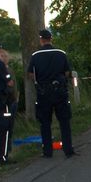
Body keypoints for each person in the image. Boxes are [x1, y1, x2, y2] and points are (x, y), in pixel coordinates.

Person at [27, 29, 76, 158]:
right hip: (60, 91)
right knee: (64, 121)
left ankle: (47, 151)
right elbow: (66, 72)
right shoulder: (61, 53)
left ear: (41, 40)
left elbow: (31, 74)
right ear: (51, 39)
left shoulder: (35, 56)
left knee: (45, 123)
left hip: (44, 93)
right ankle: (68, 149)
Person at [0, 49, 19, 155]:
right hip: (4, 103)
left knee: (10, 126)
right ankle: (3, 150)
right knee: (4, 126)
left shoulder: (10, 69)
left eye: (6, 56)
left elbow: (14, 84)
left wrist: (17, 97)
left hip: (13, 101)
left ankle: (8, 148)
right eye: (2, 56)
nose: (4, 58)